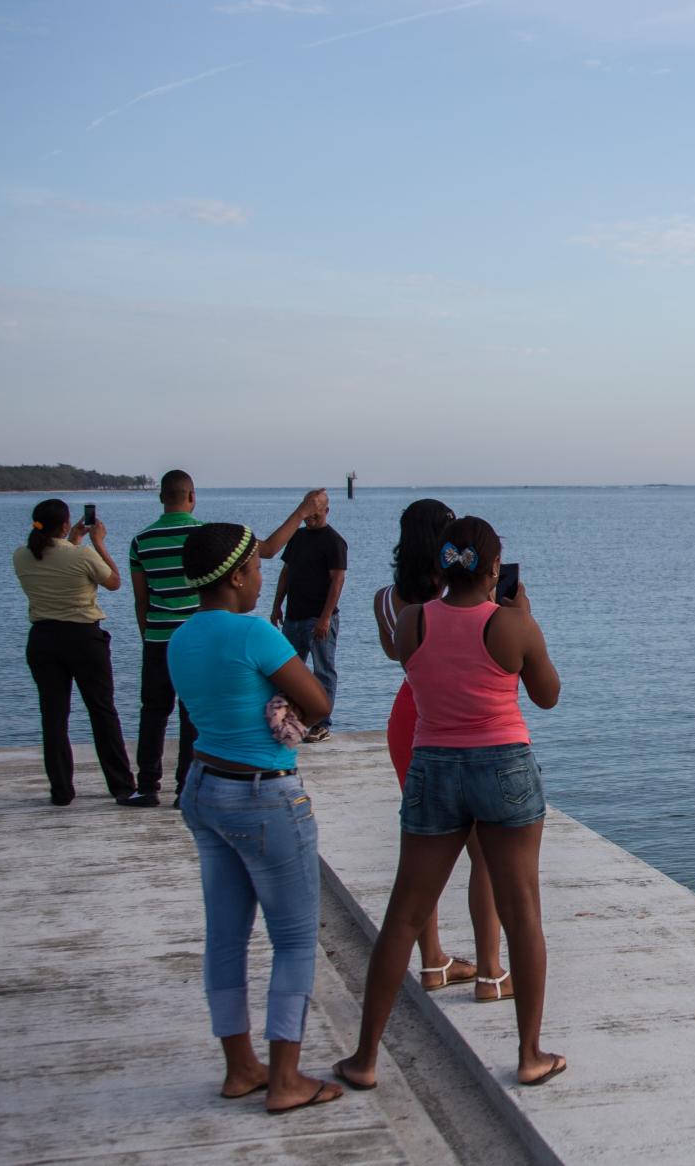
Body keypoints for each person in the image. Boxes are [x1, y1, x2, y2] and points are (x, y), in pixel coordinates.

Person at [335, 516, 566, 1091]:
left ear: (443, 564)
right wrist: (523, 617)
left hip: (433, 766)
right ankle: (530, 1054)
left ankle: (365, 1058)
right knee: (522, 916)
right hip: (503, 767)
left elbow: (410, 662)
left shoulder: (413, 621)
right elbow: (548, 696)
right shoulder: (512, 626)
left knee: (404, 913)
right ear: (494, 569)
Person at [168, 522, 344, 1114]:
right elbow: (319, 702)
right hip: (263, 794)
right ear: (239, 575)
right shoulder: (255, 635)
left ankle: (241, 1067)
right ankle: (288, 1079)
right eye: (258, 568)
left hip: (204, 787)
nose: (263, 577)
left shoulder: (180, 637)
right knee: (294, 939)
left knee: (225, 934)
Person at [370, 499, 506, 1000]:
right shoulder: (458, 597)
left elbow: (400, 654)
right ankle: (492, 971)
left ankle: (433, 963)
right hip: (458, 718)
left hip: (410, 714)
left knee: (422, 850)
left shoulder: (388, 599)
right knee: (484, 853)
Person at [130, 472, 325, 805]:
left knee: (153, 710)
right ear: (191, 495)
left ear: (162, 497)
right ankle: (184, 784)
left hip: (163, 636)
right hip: (214, 636)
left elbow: (140, 599)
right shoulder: (212, 539)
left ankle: (147, 785)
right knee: (193, 716)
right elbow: (269, 549)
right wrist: (303, 511)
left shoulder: (142, 540)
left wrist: (148, 635)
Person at [12, 499, 134, 806]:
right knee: (102, 711)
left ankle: (61, 791)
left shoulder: (22, 556)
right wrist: (97, 542)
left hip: (43, 639)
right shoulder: (83, 555)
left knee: (53, 716)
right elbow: (114, 582)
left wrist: (74, 540)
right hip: (83, 639)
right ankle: (121, 786)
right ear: (66, 524)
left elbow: (55, 558)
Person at [270, 491, 347, 742]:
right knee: (286, 670)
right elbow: (286, 572)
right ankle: (285, 720)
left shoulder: (335, 541)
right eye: (307, 513)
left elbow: (337, 581)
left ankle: (322, 724)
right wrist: (277, 605)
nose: (310, 519)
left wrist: (325, 618)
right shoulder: (297, 537)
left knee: (323, 670)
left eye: (316, 513)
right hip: (293, 616)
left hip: (319, 617)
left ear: (326, 511)